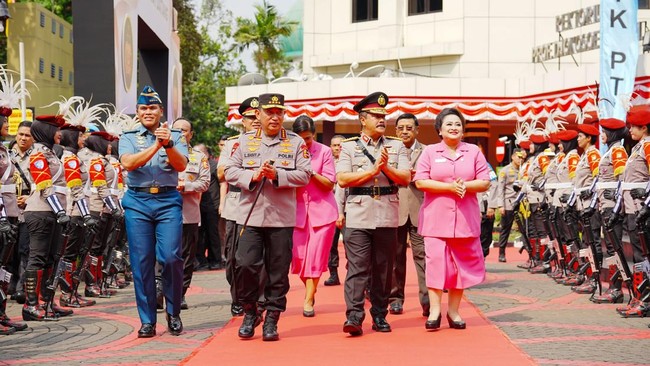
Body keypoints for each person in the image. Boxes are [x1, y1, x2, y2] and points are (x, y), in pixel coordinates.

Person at [224, 93, 311, 341]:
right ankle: (251, 311)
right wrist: (252, 176)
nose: (274, 117)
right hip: (249, 216)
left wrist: (277, 175)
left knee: (277, 271)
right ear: (258, 115)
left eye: (279, 113)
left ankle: (272, 317)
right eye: (269, 112)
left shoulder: (295, 143)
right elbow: (229, 170)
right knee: (245, 265)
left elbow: (305, 174)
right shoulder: (244, 140)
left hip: (281, 218)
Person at [336, 91, 410, 336]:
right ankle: (354, 317)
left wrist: (386, 167)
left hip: (387, 215)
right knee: (357, 268)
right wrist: (371, 171)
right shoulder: (349, 147)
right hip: (358, 214)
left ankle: (379, 314)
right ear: (362, 119)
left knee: (382, 269)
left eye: (383, 115)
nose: (381, 119)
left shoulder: (396, 145)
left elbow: (406, 178)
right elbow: (343, 178)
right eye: (376, 115)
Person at [118, 86, 188, 338]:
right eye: (144, 108)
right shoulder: (127, 136)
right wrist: (157, 146)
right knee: (142, 262)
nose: (148, 112)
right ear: (137, 112)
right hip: (137, 201)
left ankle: (173, 312)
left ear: (161, 111)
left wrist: (168, 143)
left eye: (153, 108)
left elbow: (180, 165)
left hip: (168, 199)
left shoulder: (176, 135)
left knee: (171, 257)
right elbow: (128, 163)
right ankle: (147, 320)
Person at [414, 107, 490, 331]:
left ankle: (453, 311)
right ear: (439, 130)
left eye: (458, 124)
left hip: (465, 220)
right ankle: (435, 311)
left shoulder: (474, 151)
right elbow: (420, 181)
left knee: (461, 267)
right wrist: (449, 187)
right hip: (435, 220)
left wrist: (464, 186)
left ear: (463, 130)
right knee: (436, 264)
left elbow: (485, 181)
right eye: (449, 124)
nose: (454, 128)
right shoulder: (430, 152)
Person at [22, 114, 74, 321]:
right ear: (46, 131)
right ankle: (31, 304)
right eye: (55, 129)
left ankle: (46, 301)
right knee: (37, 258)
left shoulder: (49, 153)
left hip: (52, 212)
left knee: (51, 257)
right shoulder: (37, 154)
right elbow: (44, 186)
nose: (59, 133)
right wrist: (60, 211)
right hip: (41, 210)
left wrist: (61, 211)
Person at [217, 97, 261, 317]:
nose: (255, 121)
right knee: (233, 258)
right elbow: (221, 173)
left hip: (263, 204)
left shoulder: (271, 142)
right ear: (242, 121)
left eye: (257, 116)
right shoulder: (233, 143)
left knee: (259, 257)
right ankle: (239, 297)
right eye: (250, 117)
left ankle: (258, 300)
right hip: (236, 203)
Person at [290, 115, 337, 317]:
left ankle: (308, 299)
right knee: (298, 258)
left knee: (316, 258)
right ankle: (312, 288)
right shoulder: (287, 151)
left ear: (314, 135)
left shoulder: (324, 152)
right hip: (295, 212)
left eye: (308, 138)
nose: (304, 143)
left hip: (323, 212)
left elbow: (330, 183)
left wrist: (311, 173)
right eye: (300, 139)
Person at [389, 113, 430, 316]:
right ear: (395, 130)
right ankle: (395, 298)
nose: (404, 131)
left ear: (417, 130)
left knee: (423, 256)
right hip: (394, 209)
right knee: (395, 258)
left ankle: (428, 300)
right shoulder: (389, 150)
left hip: (420, 210)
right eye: (400, 128)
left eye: (409, 127)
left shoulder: (427, 152)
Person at [171, 117, 210, 309]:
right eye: (176, 130)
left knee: (186, 258)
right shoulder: (162, 153)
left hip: (189, 214)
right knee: (165, 256)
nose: (180, 133)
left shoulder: (199, 157)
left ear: (191, 134)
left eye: (184, 130)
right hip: (164, 214)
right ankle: (162, 290)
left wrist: (184, 186)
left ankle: (180, 293)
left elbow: (204, 183)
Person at [591, 118, 628, 304]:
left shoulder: (617, 151)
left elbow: (622, 178)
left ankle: (617, 289)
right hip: (604, 205)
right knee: (611, 248)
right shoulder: (610, 152)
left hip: (612, 205)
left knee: (615, 248)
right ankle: (614, 288)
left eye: (604, 131)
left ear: (612, 133)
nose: (602, 135)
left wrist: (616, 206)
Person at [0, 108, 27, 333]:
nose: (8, 123)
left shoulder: (3, 150)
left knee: (5, 267)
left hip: (11, 214)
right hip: (2, 216)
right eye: (4, 120)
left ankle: (1, 313)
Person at [9, 121, 33, 305]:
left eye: (28, 135)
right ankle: (8, 285)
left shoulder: (36, 157)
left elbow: (42, 183)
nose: (23, 138)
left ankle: (21, 288)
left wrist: (29, 198)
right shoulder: (7, 155)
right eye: (21, 134)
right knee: (9, 250)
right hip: (8, 208)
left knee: (24, 249)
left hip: (27, 209)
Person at [195, 142, 223, 271]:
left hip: (213, 203)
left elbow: (223, 184)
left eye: (201, 152)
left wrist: (222, 203)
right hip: (197, 204)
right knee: (199, 234)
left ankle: (215, 260)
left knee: (213, 233)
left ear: (206, 153)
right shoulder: (194, 165)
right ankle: (201, 260)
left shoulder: (214, 165)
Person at [495, 149, 524, 262]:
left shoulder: (523, 170)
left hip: (522, 203)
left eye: (521, 157)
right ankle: (501, 253)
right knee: (505, 229)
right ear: (512, 157)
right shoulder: (505, 171)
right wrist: (500, 205)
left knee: (526, 228)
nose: (520, 159)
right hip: (509, 203)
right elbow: (500, 189)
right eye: (518, 156)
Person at [324, 134, 345, 286]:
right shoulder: (327, 163)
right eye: (335, 145)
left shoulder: (351, 162)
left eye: (340, 145)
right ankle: (333, 273)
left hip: (348, 208)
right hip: (330, 208)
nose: (337, 148)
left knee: (352, 244)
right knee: (331, 244)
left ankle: (354, 274)